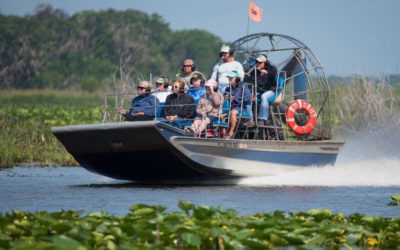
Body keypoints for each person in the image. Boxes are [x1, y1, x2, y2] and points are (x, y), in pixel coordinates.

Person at [245, 55, 277, 125]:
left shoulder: (271, 68)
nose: (257, 64)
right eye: (256, 62)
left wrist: (266, 72)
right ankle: (249, 119)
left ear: (264, 62)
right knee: (247, 98)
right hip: (258, 91)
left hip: (270, 91)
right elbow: (252, 83)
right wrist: (253, 94)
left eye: (259, 62)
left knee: (264, 97)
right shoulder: (255, 72)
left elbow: (274, 74)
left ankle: (262, 119)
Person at [224, 71, 251, 139]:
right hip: (230, 107)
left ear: (236, 78)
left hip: (240, 107)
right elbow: (224, 95)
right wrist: (225, 96)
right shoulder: (228, 88)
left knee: (233, 113)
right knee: (222, 114)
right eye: (229, 78)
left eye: (231, 78)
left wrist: (235, 99)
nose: (229, 80)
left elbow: (248, 97)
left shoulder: (244, 86)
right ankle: (223, 135)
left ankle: (231, 132)